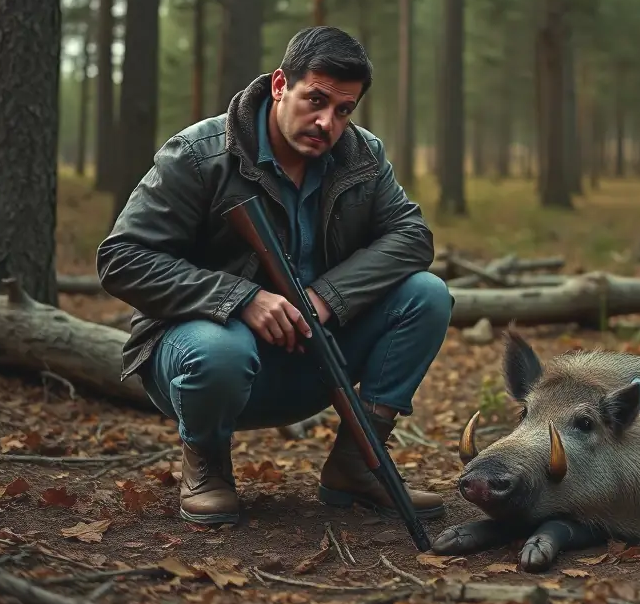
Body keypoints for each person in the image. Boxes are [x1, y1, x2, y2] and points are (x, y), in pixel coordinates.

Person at [96, 26, 452, 526]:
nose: (327, 122)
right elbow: (122, 259)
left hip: (312, 357)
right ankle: (207, 467)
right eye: (316, 100)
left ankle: (357, 461)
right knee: (219, 349)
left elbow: (413, 236)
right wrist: (241, 299)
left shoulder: (361, 155)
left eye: (344, 110)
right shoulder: (199, 154)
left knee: (427, 295)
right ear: (281, 84)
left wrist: (326, 298)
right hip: (205, 357)